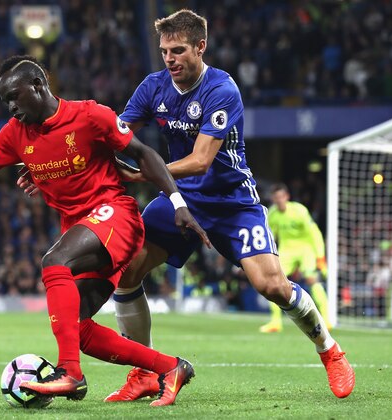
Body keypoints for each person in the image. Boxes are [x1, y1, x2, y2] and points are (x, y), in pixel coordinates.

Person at [103, 9, 355, 400]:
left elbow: (202, 159)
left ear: (201, 47)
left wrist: (147, 172)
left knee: (272, 286)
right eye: (165, 51)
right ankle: (145, 371)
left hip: (232, 203)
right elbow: (115, 134)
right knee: (128, 271)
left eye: (178, 50)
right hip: (180, 199)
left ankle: (330, 351)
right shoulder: (153, 87)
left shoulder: (222, 89)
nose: (169, 59)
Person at [0, 55, 211, 406]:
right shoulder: (15, 134)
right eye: (6, 101)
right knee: (76, 327)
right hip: (85, 231)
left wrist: (178, 203)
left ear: (38, 85)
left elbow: (143, 154)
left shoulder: (90, 115)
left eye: (14, 97)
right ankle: (170, 368)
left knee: (54, 261)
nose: (11, 108)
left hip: (117, 216)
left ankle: (71, 375)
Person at [260, 183, 331, 333]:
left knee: (312, 280)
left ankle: (327, 319)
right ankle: (275, 322)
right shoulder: (272, 214)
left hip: (306, 249)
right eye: (276, 197)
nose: (279, 200)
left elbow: (314, 233)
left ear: (287, 197)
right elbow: (271, 237)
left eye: (281, 197)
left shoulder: (299, 210)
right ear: (273, 199)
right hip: (286, 250)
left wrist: (320, 256)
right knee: (273, 282)